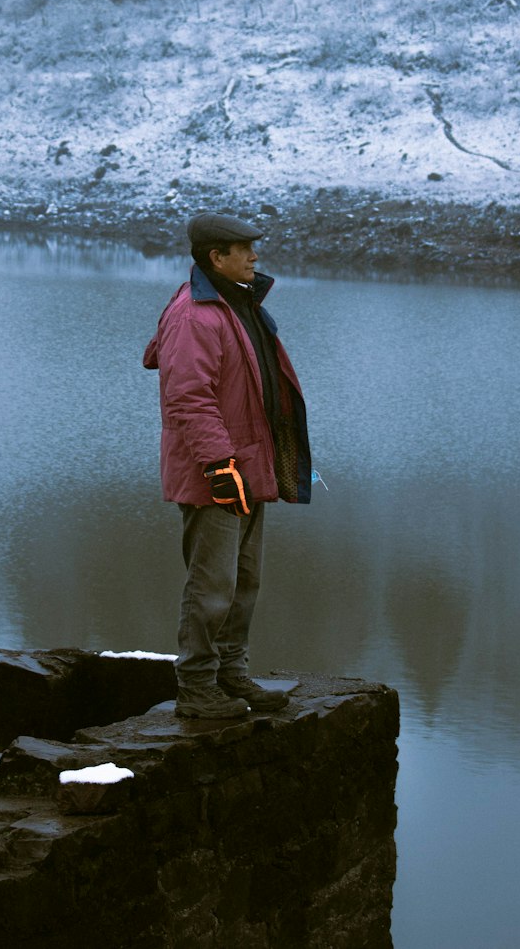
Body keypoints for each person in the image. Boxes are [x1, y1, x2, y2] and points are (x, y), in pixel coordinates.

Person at [143, 210, 312, 719]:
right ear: (216, 257)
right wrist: (221, 468)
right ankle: (196, 688)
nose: (254, 256)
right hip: (217, 472)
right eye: (243, 249)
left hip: (247, 467)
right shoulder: (197, 315)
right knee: (212, 583)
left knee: (242, 579)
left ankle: (231, 676)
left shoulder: (234, 304)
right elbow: (188, 400)